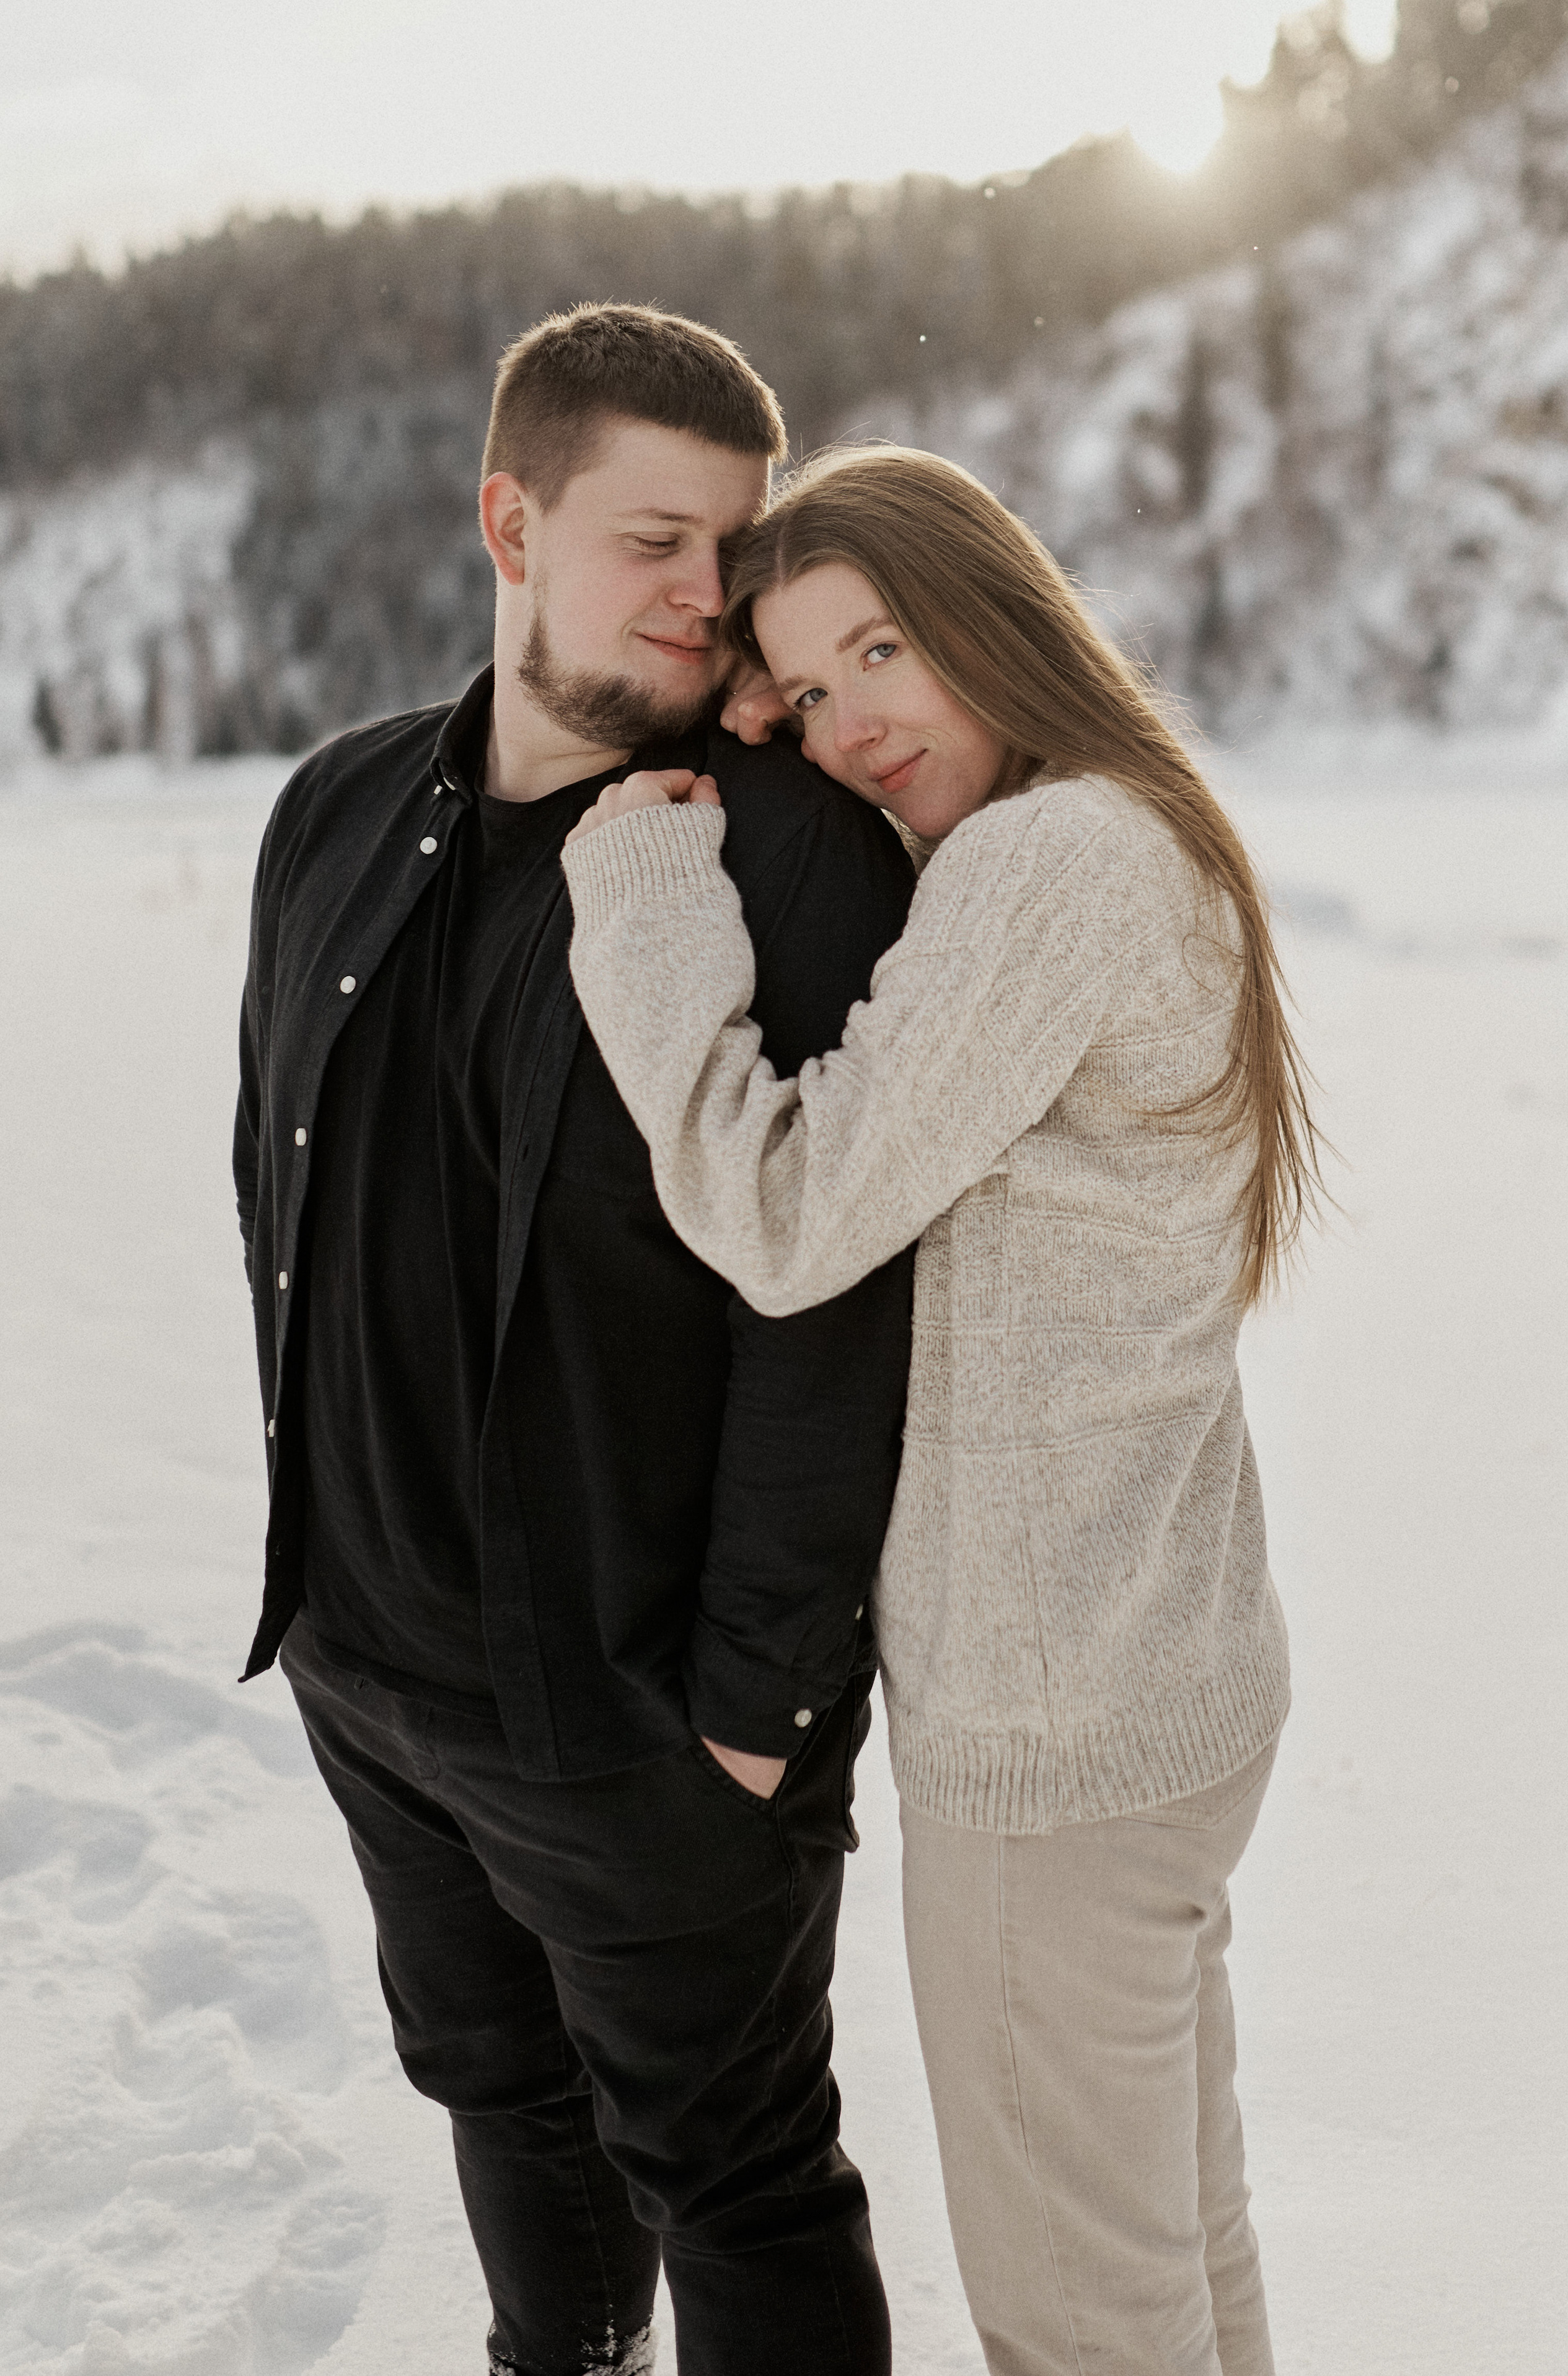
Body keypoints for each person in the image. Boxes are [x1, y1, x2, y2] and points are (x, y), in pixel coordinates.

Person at [562, 445, 1325, 2376]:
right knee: (1176, 2263)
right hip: (1161, 1683)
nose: (846, 724)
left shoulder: (1044, 867)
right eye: (808, 691)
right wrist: (794, 703)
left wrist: (649, 896)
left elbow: (792, 1210)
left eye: (883, 649)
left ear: (995, 615)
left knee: (1084, 2328)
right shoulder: (1116, 826)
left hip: (1054, 1733)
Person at [232, 309, 918, 2376]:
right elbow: (291, 1185)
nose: (707, 598)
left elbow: (835, 1292)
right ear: (508, 521)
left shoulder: (777, 855)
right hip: (370, 1667)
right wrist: (323, 1587)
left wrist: (755, 1706)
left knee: (738, 2177)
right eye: (653, 539)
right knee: (496, 2091)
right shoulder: (333, 813)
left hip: (640, 1715)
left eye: (731, 548)